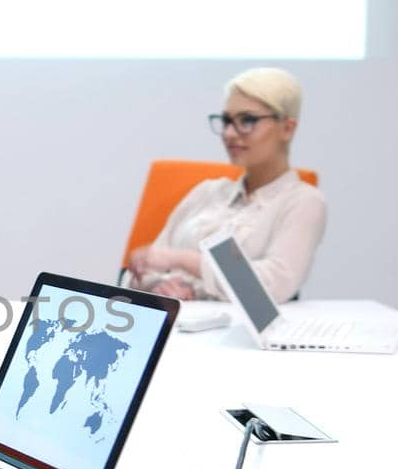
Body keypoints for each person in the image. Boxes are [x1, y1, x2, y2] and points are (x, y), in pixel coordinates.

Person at [126, 67, 327, 303]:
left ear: (287, 128)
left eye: (247, 120)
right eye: (227, 121)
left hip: (233, 334)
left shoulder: (303, 201)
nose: (230, 133)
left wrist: (182, 260)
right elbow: (145, 267)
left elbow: (270, 287)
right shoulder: (206, 192)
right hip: (175, 323)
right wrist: (159, 285)